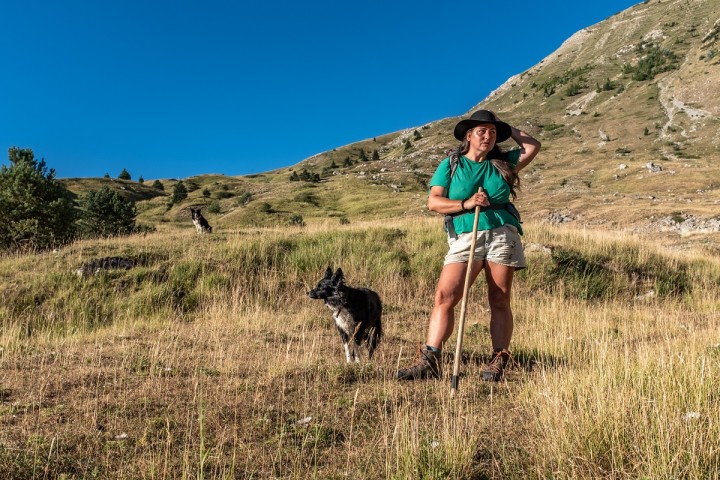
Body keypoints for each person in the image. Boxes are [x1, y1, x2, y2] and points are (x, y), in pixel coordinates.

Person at [397, 110, 541, 382]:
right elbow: (434, 202)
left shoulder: (504, 162)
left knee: (499, 298)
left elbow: (533, 146)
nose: (488, 136)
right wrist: (466, 204)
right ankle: (430, 359)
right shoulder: (451, 165)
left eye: (493, 132)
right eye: (482, 131)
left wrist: (508, 128)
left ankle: (499, 358)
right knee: (445, 296)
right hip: (465, 234)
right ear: (468, 135)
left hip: (502, 233)